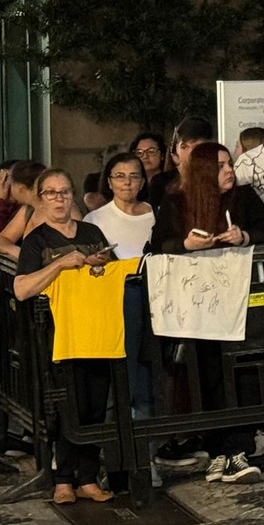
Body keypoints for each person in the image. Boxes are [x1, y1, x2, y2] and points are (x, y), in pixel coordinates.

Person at [150, 142, 264, 485]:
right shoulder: (177, 202)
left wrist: (245, 236)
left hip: (238, 300)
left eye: (230, 163)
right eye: (221, 166)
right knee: (207, 374)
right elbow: (159, 244)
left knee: (243, 372)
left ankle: (239, 449)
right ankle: (218, 450)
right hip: (199, 305)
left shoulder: (244, 197)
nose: (229, 170)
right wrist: (187, 245)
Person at [14, 169, 116, 505]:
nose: (59, 199)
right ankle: (62, 478)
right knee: (65, 406)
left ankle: (88, 477)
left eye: (64, 192)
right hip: (58, 336)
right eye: (51, 193)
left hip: (97, 331)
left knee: (95, 405)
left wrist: (100, 265)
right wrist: (59, 265)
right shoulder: (37, 240)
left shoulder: (91, 231)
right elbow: (22, 288)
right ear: (40, 199)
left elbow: (112, 273)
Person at [83, 153, 155, 419]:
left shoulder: (154, 214)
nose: (128, 183)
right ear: (109, 182)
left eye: (135, 176)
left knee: (152, 367)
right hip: (117, 303)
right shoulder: (95, 219)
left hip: (156, 298)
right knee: (125, 368)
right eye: (120, 176)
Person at [0, 160, 67, 260]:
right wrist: (18, 252)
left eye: (10, 186)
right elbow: (3, 238)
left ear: (20, 188)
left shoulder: (63, 209)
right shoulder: (28, 209)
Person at [148, 117, 213, 210]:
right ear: (175, 150)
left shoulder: (216, 177)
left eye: (197, 146)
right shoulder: (161, 182)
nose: (191, 153)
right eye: (184, 147)